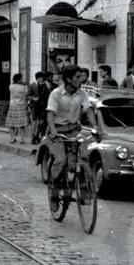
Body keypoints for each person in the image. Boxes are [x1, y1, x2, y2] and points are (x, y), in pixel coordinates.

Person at [46, 65, 100, 212]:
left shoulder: (82, 93)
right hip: (57, 131)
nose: (81, 80)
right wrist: (53, 131)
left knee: (81, 158)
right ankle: (55, 195)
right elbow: (50, 114)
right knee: (61, 160)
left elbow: (88, 110)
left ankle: (83, 192)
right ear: (68, 79)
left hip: (74, 130)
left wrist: (95, 128)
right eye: (77, 77)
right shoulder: (56, 94)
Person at [27, 72, 52, 144]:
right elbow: (27, 95)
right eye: (41, 78)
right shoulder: (32, 85)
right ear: (37, 78)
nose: (42, 79)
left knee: (41, 122)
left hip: (42, 106)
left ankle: (37, 135)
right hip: (34, 105)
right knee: (34, 122)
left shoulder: (45, 85)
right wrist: (33, 98)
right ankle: (33, 137)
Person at [6, 73, 29, 144]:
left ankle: (12, 138)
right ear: (19, 80)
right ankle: (22, 139)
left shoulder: (11, 86)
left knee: (12, 123)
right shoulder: (22, 88)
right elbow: (25, 96)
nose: (22, 80)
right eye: (21, 79)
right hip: (21, 105)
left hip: (12, 104)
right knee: (22, 124)